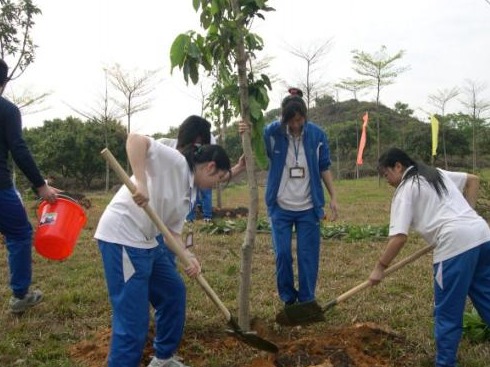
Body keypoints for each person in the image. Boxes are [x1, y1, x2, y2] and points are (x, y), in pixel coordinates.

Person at [94, 132, 232, 367]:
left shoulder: (190, 194)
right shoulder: (176, 162)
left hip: (149, 240)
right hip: (123, 237)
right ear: (210, 167)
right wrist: (141, 182)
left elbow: (172, 235)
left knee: (173, 292)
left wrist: (187, 256)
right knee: (134, 322)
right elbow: (135, 139)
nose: (214, 186)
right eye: (218, 179)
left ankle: (163, 359)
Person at [369, 147, 490, 367]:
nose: (387, 181)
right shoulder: (435, 173)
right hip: (482, 235)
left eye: (386, 175)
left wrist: (379, 267)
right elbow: (473, 180)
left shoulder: (406, 188)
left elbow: (398, 238)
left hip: (455, 246)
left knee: (447, 311)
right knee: (486, 295)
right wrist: (468, 215)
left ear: (398, 166)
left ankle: (445, 363)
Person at [240, 88, 338, 309]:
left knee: (307, 256)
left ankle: (306, 300)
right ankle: (288, 298)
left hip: (309, 207)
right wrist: (247, 130)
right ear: (283, 118)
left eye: (299, 120)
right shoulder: (272, 133)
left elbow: (324, 167)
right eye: (290, 121)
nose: (295, 126)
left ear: (304, 116)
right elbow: (254, 143)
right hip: (280, 206)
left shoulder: (317, 135)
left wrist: (333, 196)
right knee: (282, 254)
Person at [0, 59, 58, 314]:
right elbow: (19, 149)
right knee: (20, 234)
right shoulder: (7, 110)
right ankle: (21, 295)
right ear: (4, 82)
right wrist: (40, 185)